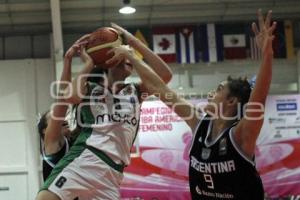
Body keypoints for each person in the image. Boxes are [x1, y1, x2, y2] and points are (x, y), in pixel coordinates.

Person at [105, 10, 275, 200]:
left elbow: (259, 97)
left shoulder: (241, 135)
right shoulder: (199, 123)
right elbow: (160, 88)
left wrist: (267, 55)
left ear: (232, 101)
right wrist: (133, 47)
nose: (211, 93)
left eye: (219, 89)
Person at [36, 24, 172, 200]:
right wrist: (90, 61)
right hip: (85, 159)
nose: (128, 57)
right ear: (108, 60)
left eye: (129, 55)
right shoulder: (91, 89)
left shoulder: (136, 92)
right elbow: (69, 95)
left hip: (113, 173)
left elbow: (165, 76)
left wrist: (133, 42)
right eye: (123, 54)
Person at [38, 35, 89, 181]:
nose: (62, 119)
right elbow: (63, 98)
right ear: (45, 131)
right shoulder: (52, 144)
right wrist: (73, 61)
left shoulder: (75, 138)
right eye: (55, 118)